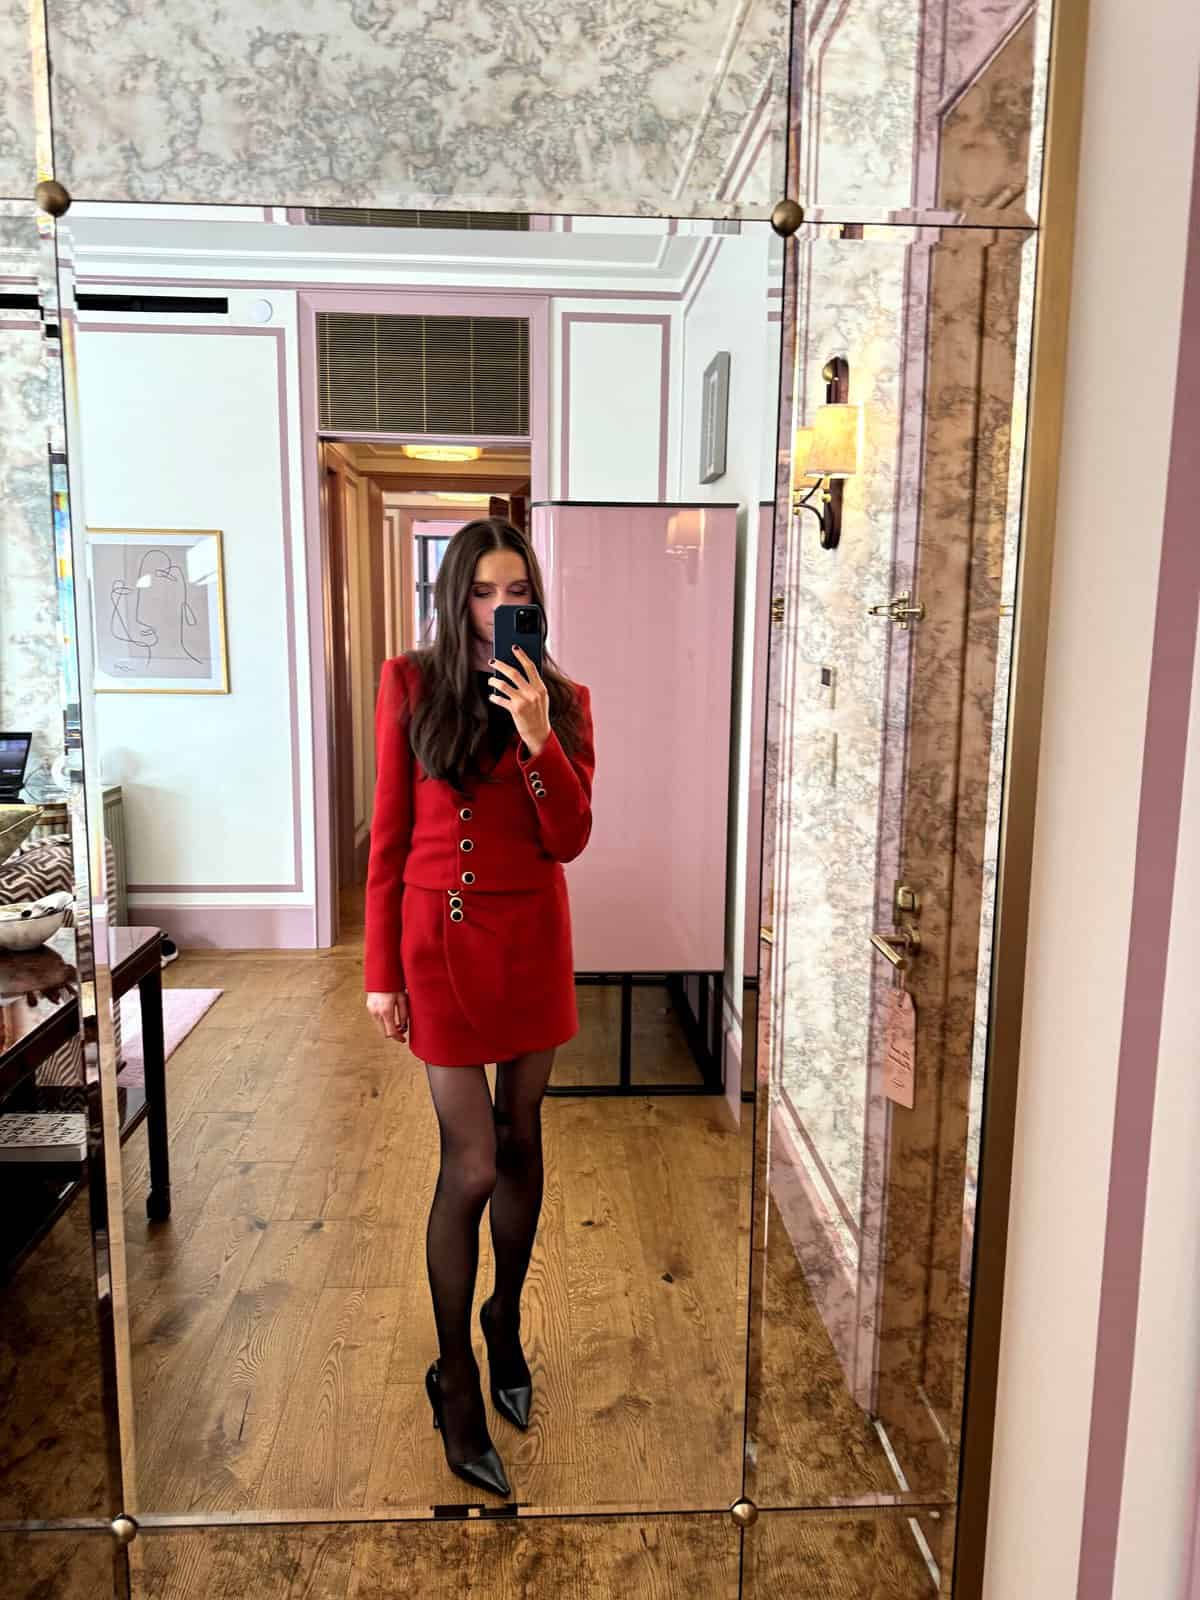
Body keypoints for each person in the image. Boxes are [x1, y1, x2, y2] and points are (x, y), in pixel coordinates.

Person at [363, 517, 596, 1500]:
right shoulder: (410, 685)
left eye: (518, 590)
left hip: (532, 942)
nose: (502, 607)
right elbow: (387, 835)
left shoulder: (565, 701)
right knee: (471, 1164)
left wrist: (539, 738)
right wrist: (381, 971)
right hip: (440, 941)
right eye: (484, 591)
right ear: (455, 598)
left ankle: (505, 1319)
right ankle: (456, 1372)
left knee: (522, 1137)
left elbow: (570, 837)